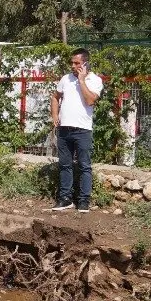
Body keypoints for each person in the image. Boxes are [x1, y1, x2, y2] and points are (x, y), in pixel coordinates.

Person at [50, 48, 103, 214]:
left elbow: (90, 101)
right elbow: (55, 97)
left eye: (77, 63)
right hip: (64, 129)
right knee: (65, 165)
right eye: (72, 63)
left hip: (83, 130)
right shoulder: (65, 79)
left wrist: (81, 81)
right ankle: (65, 198)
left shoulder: (95, 80)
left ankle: (83, 201)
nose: (73, 66)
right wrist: (55, 115)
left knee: (84, 166)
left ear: (85, 63)